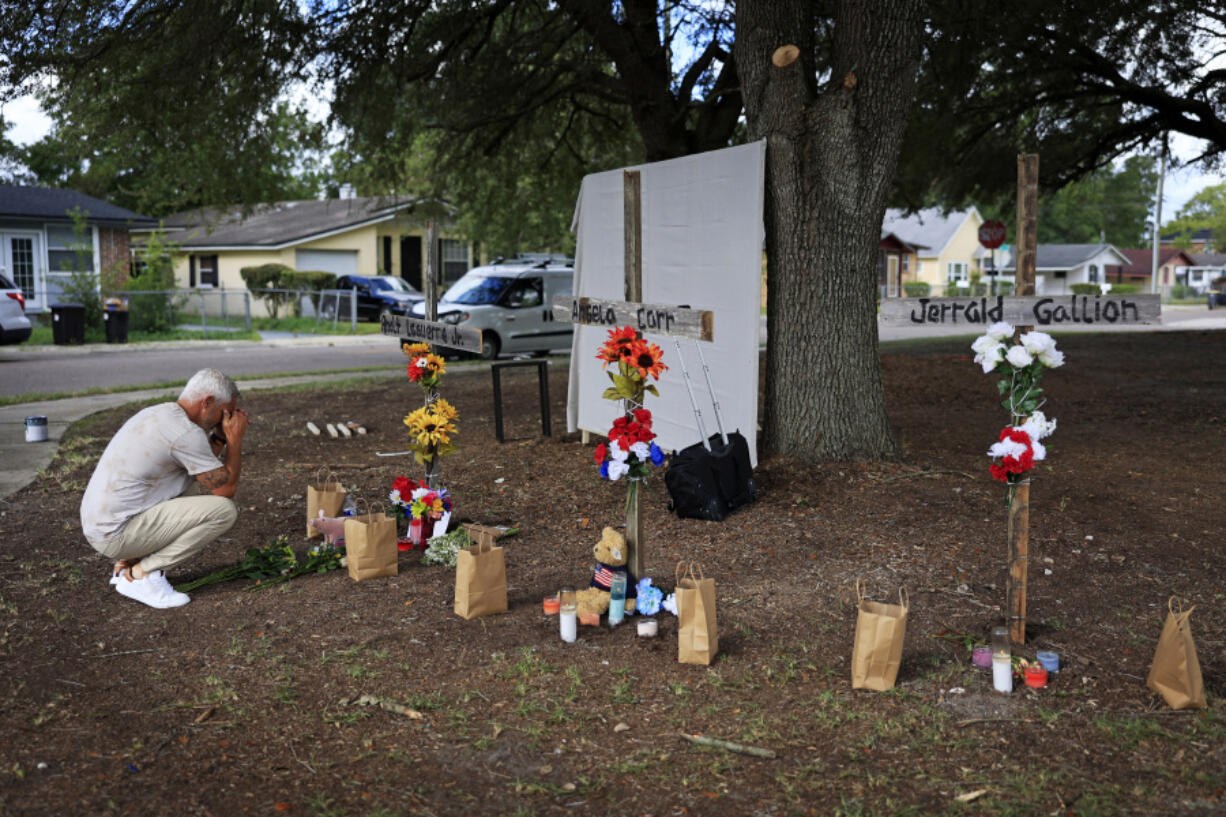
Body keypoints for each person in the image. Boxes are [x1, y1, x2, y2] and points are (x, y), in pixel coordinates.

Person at [80, 368, 249, 608]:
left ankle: (126, 563)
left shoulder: (158, 413)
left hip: (101, 524)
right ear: (207, 402)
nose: (226, 420)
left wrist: (219, 438)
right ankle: (143, 575)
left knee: (187, 486)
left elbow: (201, 468)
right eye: (225, 413)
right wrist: (234, 441)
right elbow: (224, 489)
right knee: (223, 511)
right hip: (114, 534)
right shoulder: (185, 433)